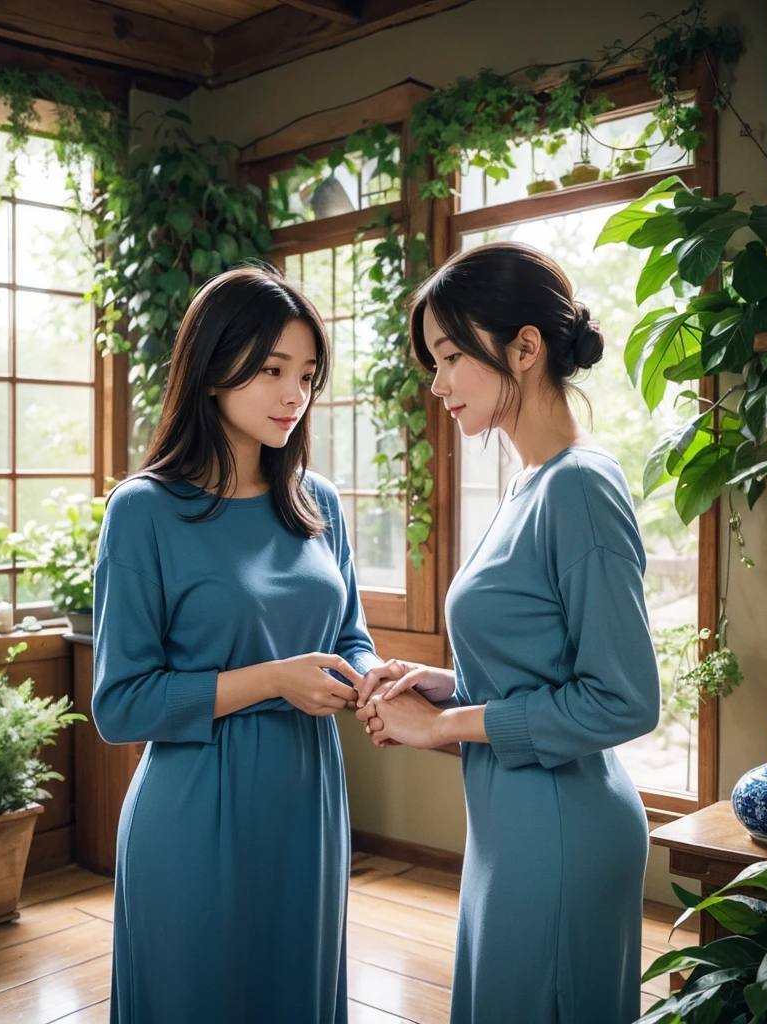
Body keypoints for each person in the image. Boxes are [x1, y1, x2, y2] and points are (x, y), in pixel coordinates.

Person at [355, 241, 661, 1024]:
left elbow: (622, 701)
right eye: (434, 359)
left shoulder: (581, 489)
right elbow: (537, 672)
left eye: (452, 355)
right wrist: (441, 688)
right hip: (513, 827)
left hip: (560, 834)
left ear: (525, 347)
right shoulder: (529, 482)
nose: (438, 382)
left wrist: (445, 724)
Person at [92, 264, 383, 1023]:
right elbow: (120, 706)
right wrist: (273, 680)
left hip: (309, 804)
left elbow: (349, 633)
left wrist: (375, 675)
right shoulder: (143, 512)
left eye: (309, 375)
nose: (296, 395)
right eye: (271, 370)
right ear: (213, 369)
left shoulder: (317, 503)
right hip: (193, 813)